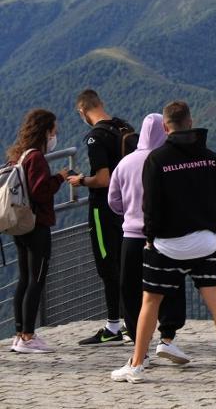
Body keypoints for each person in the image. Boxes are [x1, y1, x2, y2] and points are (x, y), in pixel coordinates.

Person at [110, 101, 216, 384]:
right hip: (205, 241)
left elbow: (151, 206)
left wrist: (150, 238)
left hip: (167, 244)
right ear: (190, 122)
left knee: (150, 302)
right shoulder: (210, 158)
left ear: (165, 126)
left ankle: (136, 365)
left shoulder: (157, 160)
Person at [107, 112, 189, 364]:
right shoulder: (169, 160)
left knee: (130, 292)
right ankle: (167, 338)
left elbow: (113, 200)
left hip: (131, 238)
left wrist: (129, 213)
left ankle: (139, 347)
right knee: (170, 286)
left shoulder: (125, 163)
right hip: (163, 237)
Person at [66, 89, 134, 346]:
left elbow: (103, 179)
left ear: (82, 111)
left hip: (103, 208)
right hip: (128, 205)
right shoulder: (124, 127)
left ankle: (113, 326)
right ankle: (131, 323)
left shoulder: (96, 137)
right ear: (101, 103)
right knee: (127, 264)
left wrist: (81, 180)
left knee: (108, 265)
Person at [7, 109, 68, 353]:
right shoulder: (37, 158)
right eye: (54, 130)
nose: (55, 135)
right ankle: (28, 337)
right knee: (37, 279)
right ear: (45, 131)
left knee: (24, 279)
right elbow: (40, 191)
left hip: (20, 224)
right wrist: (59, 178)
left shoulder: (19, 155)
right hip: (37, 226)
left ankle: (19, 333)